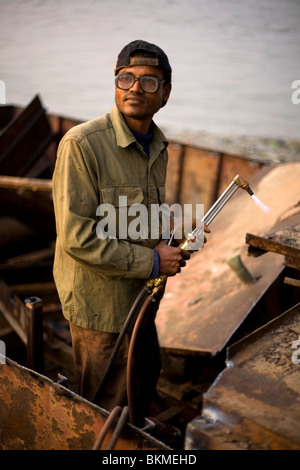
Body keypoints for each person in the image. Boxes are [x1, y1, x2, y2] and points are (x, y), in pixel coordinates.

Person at [52, 40, 208, 434]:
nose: (135, 88)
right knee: (104, 401)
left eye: (148, 82)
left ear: (166, 93)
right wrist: (154, 262)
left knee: (143, 372)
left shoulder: (158, 145)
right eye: (126, 78)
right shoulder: (82, 144)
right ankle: (113, 445)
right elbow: (77, 237)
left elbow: (137, 217)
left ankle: (136, 428)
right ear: (115, 85)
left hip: (141, 296)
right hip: (99, 304)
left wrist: (176, 234)